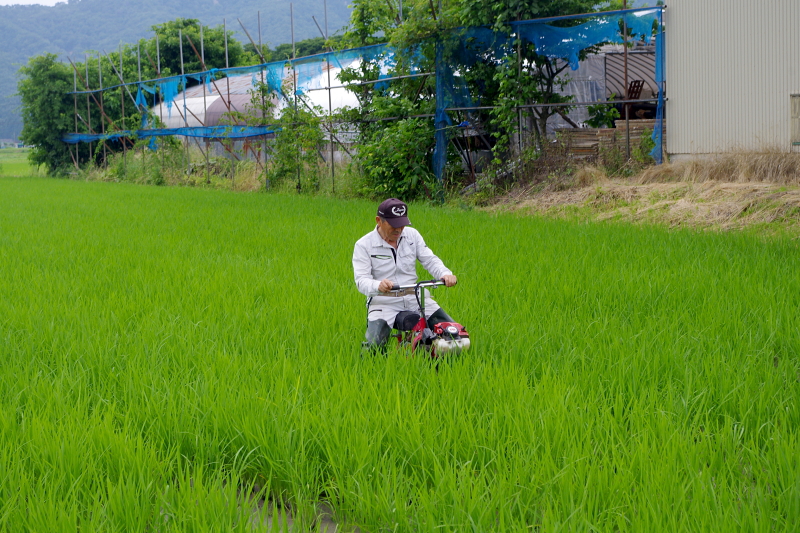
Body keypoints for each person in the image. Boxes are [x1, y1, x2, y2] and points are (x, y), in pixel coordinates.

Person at [352, 198, 458, 351]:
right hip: (384, 301)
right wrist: (378, 285)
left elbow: (429, 259)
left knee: (452, 334)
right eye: (394, 225)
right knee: (374, 346)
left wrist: (445, 274)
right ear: (379, 221)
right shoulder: (364, 245)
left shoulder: (412, 236)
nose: (399, 229)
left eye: (402, 224)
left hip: (415, 297)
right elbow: (361, 281)